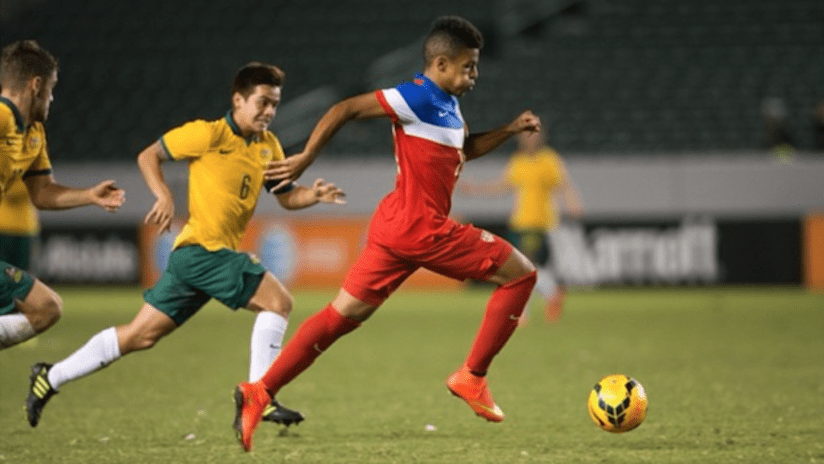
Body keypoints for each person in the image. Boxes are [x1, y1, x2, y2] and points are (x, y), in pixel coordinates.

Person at [233, 16, 542, 452]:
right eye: (469, 66)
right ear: (440, 63)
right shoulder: (416, 95)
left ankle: (259, 391)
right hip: (423, 229)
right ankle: (472, 376)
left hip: (396, 227)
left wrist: (509, 131)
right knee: (522, 275)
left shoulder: (447, 106)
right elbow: (345, 108)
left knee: (340, 317)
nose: (475, 74)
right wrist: (304, 159)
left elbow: (463, 150)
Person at [24, 62, 346, 429]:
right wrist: (163, 196)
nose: (269, 111)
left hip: (194, 260)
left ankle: (49, 377)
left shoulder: (268, 147)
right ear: (238, 100)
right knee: (279, 302)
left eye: (274, 103)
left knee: (139, 335)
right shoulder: (207, 134)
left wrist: (314, 195)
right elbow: (149, 155)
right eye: (262, 102)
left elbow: (286, 197)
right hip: (202, 251)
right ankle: (261, 396)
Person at [0, 40, 125, 350]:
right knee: (46, 307)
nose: (52, 98)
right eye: (52, 89)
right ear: (36, 85)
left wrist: (89, 196)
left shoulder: (33, 133)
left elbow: (42, 193)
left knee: (45, 308)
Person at [459, 128, 584, 323]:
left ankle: (533, 305)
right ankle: (547, 295)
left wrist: (572, 202)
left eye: (533, 135)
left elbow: (563, 184)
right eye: (526, 136)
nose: (529, 139)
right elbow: (502, 187)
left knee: (524, 268)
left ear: (541, 137)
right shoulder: (518, 161)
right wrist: (475, 189)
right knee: (525, 268)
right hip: (519, 222)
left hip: (539, 222)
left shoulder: (549, 160)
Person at [0, 177, 39, 271]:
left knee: (23, 274)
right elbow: (10, 193)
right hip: (5, 228)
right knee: (5, 272)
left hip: (26, 228)